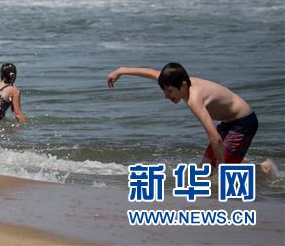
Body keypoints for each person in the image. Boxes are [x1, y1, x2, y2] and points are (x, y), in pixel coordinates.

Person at [107, 63, 272, 173]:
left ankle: (263, 170)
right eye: (164, 91)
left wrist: (222, 166)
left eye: (169, 91)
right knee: (204, 171)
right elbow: (152, 73)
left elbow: (215, 138)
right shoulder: (176, 80)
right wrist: (120, 71)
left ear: (183, 85)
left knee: (225, 173)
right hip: (229, 121)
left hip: (243, 122)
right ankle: (259, 169)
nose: (166, 96)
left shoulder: (195, 100)